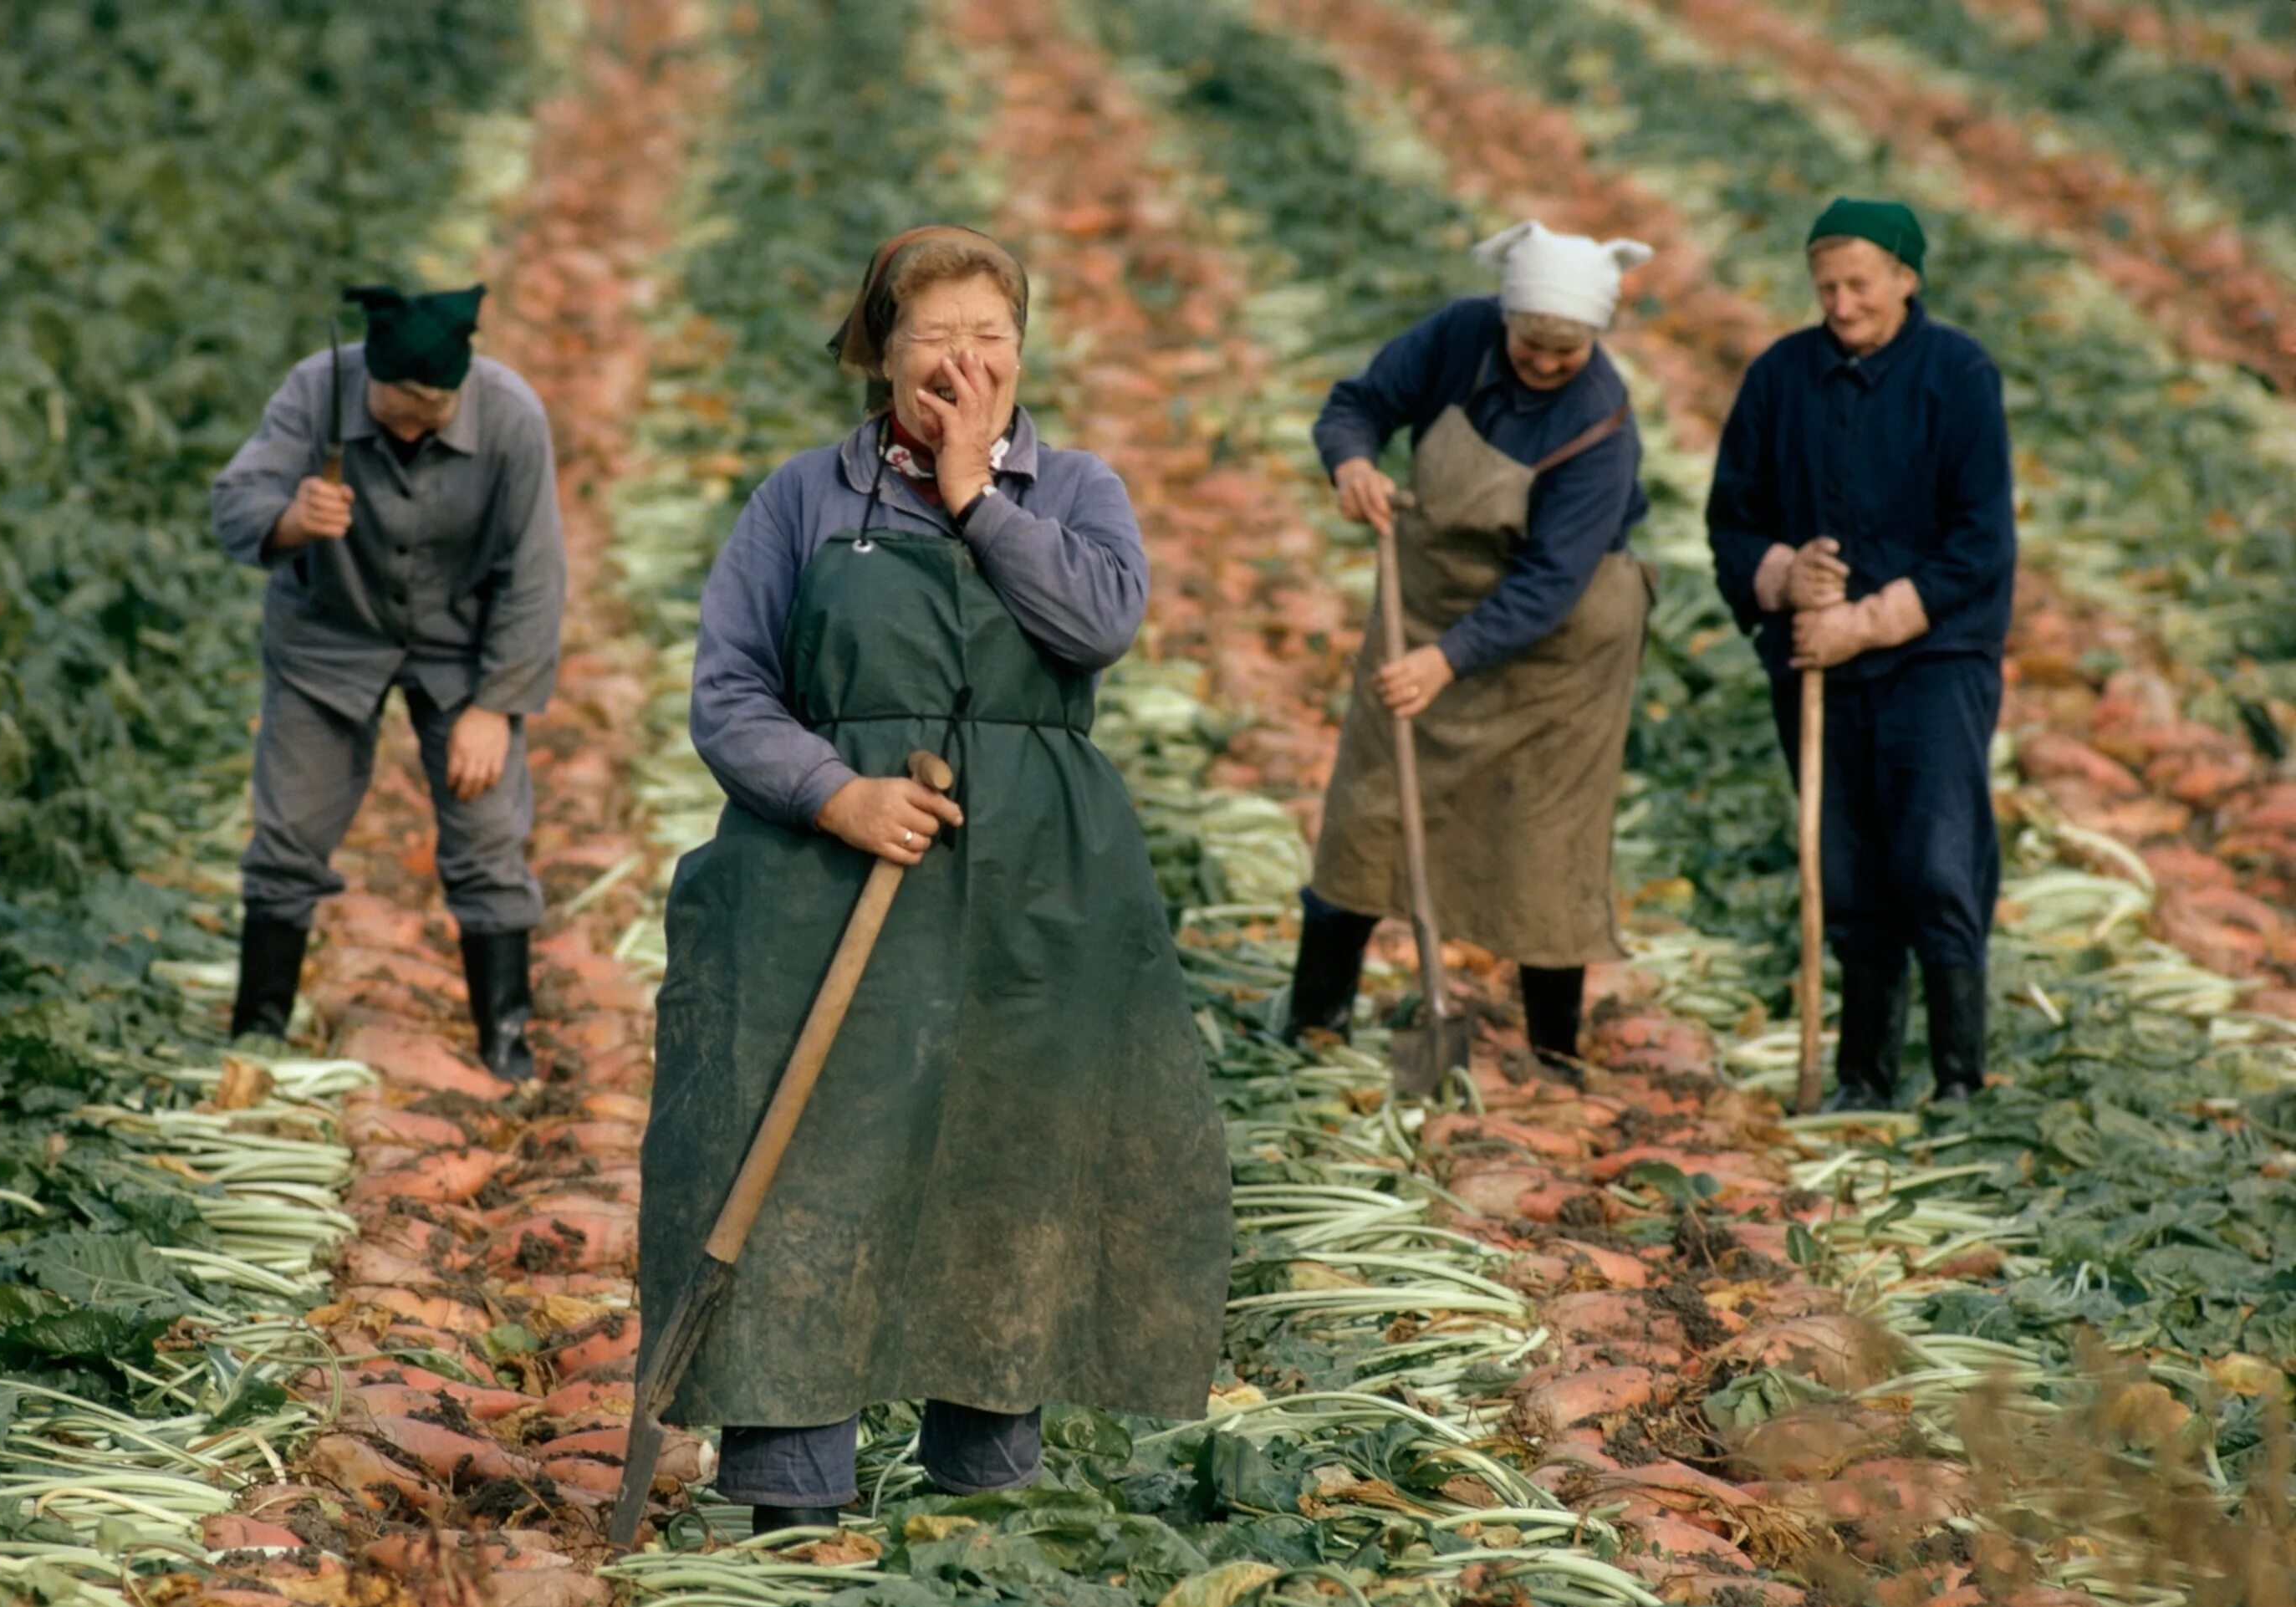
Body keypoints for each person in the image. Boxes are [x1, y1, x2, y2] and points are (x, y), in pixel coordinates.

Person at [635, 227, 1231, 1532]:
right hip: (821, 886)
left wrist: (976, 497)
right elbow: (728, 691)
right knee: (812, 1168)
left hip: (1032, 897)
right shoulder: (801, 497)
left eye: (993, 339)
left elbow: (1097, 624)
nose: (968, 362)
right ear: (879, 354)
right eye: (937, 338)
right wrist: (834, 791)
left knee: (1008, 1164)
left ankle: (980, 1497)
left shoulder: (1075, 489)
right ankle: (796, 1497)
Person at [1291, 222, 1657, 1075]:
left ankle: (1554, 1054)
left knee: (1545, 835)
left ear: (1594, 339)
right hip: (1430, 595)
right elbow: (1357, 406)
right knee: (1371, 806)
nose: (1545, 361)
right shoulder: (1459, 337)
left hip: (1559, 646)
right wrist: (1352, 465)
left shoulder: (1602, 425)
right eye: (1533, 342)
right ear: (1507, 318)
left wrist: (1447, 661)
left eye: (1567, 351)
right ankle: (1313, 1023)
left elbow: (1549, 582)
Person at [210, 283, 564, 1082]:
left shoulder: (510, 417)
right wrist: (291, 521)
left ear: (459, 389)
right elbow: (233, 504)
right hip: (328, 638)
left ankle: (505, 1040)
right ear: (367, 374)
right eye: (396, 407)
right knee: (288, 832)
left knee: (487, 838)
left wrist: (495, 707)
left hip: (462, 647)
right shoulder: (316, 391)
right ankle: (257, 1028)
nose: (409, 424)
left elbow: (536, 576)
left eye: (430, 412)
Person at [1707, 198, 2015, 1110]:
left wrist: (1870, 620)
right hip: (1815, 666)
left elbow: (1979, 545)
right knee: (1845, 868)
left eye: (1859, 285)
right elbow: (1732, 519)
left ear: (1906, 280)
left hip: (1933, 657)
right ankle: (1862, 1076)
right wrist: (1780, 573)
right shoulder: (1780, 378)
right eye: (1825, 287)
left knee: (1933, 859)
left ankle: (1959, 1077)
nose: (1841, 305)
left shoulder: (1958, 374)